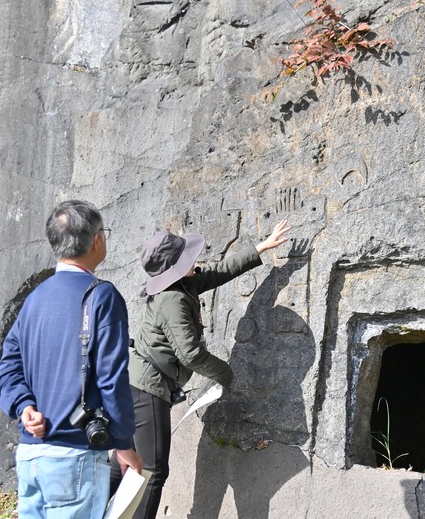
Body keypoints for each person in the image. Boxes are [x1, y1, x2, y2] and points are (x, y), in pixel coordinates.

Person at [110, 220, 291, 518]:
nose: (195, 260)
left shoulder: (182, 284)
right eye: (186, 258)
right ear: (175, 268)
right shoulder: (174, 299)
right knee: (153, 471)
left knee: (126, 462)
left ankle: (87, 508)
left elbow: (220, 272)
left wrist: (262, 246)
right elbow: (191, 354)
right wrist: (225, 374)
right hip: (147, 389)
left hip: (135, 382)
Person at [0, 200, 143, 518]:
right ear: (97, 240)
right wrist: (124, 444)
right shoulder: (101, 296)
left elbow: (7, 368)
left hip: (31, 458)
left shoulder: (34, 300)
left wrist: (24, 407)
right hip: (75, 459)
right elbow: (110, 378)